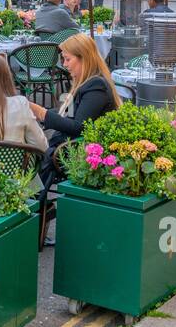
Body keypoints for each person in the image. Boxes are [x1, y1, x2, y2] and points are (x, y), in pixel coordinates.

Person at [28, 33, 120, 245]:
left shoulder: (95, 86)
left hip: (84, 150)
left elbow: (79, 127)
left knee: (37, 156)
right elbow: (67, 118)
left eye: (68, 59)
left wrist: (41, 112)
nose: (64, 64)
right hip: (76, 145)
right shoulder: (87, 82)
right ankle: (35, 210)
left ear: (84, 58)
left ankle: (34, 212)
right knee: (32, 151)